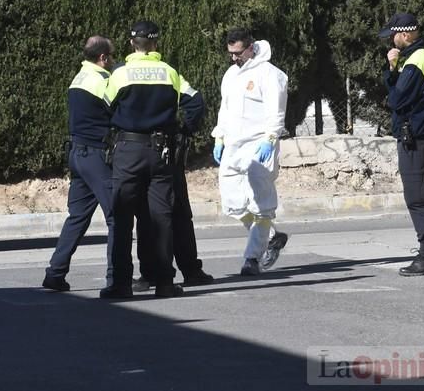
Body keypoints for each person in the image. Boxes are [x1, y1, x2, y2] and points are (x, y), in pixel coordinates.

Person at [100, 20, 205, 299]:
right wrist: (185, 130)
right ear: (156, 44)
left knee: (123, 217)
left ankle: (121, 284)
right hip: (162, 152)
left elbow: (103, 106)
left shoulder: (121, 74)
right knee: (162, 217)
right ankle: (164, 282)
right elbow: (196, 102)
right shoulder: (169, 72)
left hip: (129, 150)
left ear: (132, 43)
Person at [211, 28, 290, 276]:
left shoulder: (270, 74)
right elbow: (225, 109)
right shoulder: (231, 75)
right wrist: (219, 137)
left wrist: (270, 138)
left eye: (238, 53)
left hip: (259, 145)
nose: (234, 58)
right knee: (232, 203)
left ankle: (252, 258)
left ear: (251, 47)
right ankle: (273, 236)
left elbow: (276, 111)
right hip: (233, 145)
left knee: (261, 205)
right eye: (230, 54)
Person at [42, 36, 116, 292]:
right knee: (116, 217)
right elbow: (119, 111)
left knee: (77, 217)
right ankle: (115, 278)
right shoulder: (102, 81)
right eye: (111, 56)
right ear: (103, 57)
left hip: (76, 153)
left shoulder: (80, 77)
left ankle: (55, 273)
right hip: (96, 155)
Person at [380, 12, 424, 276]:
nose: (391, 42)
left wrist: (391, 69)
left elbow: (396, 100)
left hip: (415, 136)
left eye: (393, 36)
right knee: (417, 194)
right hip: (419, 134)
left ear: (405, 34)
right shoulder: (420, 57)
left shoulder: (416, 62)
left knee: (416, 196)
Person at [133, 122, 215, 291]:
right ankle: (154, 273)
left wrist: (181, 130)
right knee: (149, 214)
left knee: (177, 213)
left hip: (164, 150)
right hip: (150, 149)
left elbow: (193, 104)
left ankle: (187, 269)